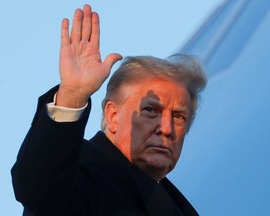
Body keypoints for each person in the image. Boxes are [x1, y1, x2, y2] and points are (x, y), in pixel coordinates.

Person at [11, 4, 206, 216]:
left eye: (178, 116)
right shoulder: (80, 170)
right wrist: (73, 95)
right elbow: (37, 187)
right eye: (151, 110)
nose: (166, 129)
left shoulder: (177, 206)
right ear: (113, 116)